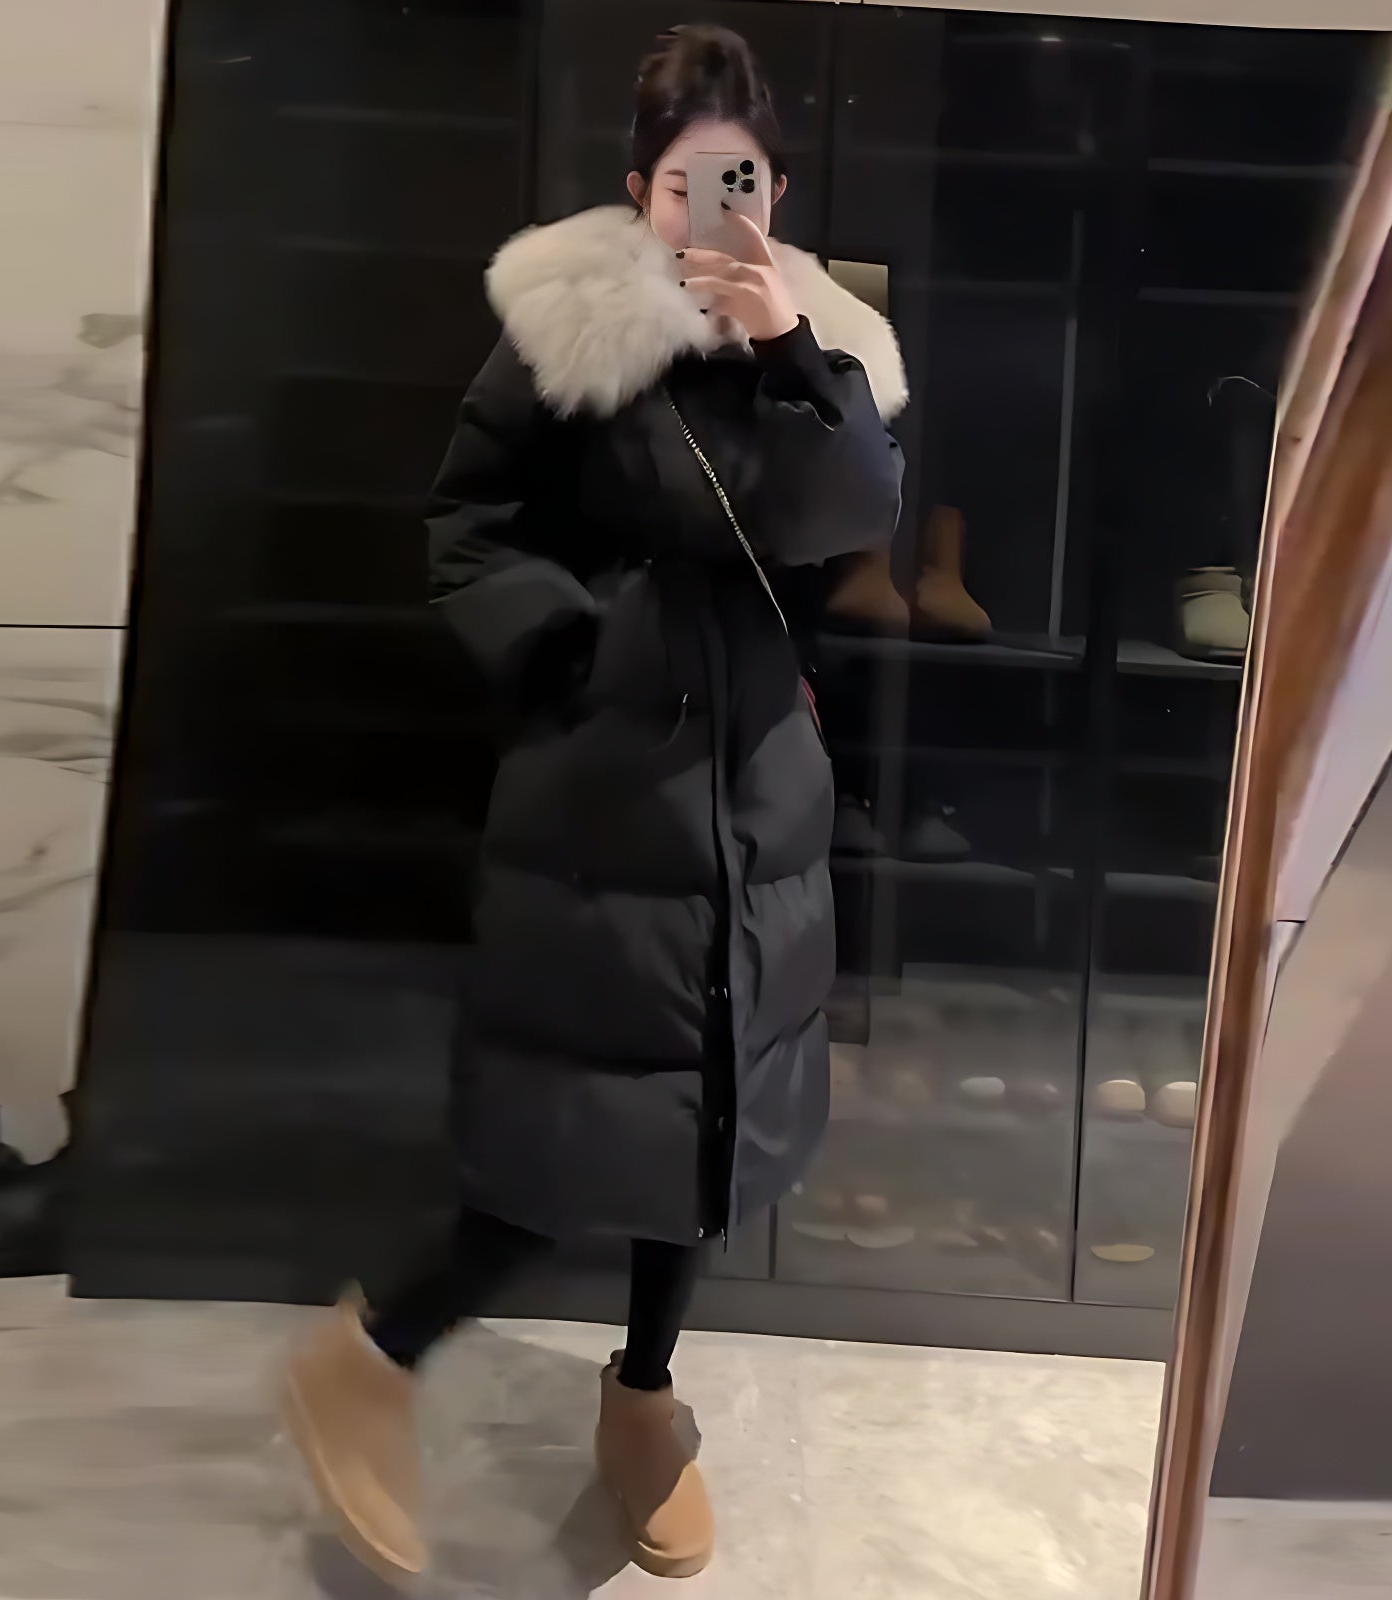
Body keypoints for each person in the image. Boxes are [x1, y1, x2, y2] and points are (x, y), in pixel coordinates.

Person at [282, 23, 906, 1584]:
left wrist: (781, 342)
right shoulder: (569, 329)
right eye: (686, 182)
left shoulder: (823, 344)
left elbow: (851, 519)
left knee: (714, 1110)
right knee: (584, 1117)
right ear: (640, 188)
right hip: (607, 784)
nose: (713, 209)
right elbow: (468, 519)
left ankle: (642, 1396)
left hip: (758, 786)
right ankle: (372, 1353)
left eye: (742, 181)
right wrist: (569, 651)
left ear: (777, 189)